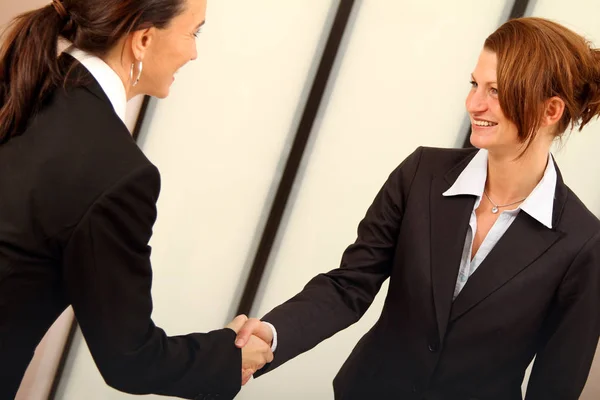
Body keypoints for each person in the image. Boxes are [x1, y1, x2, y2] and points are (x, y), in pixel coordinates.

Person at [235, 17, 600, 400]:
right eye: (475, 84)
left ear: (551, 111)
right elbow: (349, 284)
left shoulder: (582, 243)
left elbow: (554, 386)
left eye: (496, 91)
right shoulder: (422, 174)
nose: (474, 103)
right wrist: (274, 333)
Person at [0, 0, 272, 398]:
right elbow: (130, 358)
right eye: (194, 32)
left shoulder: (24, 87)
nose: (194, 52)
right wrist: (231, 354)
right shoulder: (117, 173)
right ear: (143, 39)